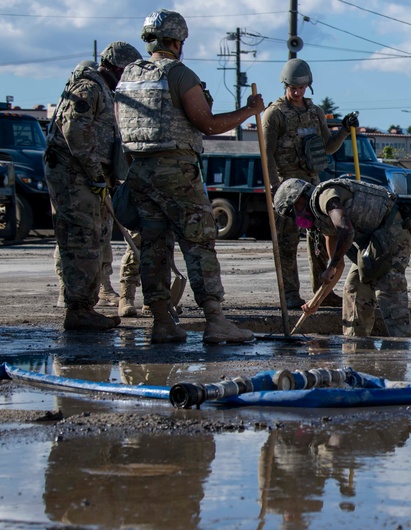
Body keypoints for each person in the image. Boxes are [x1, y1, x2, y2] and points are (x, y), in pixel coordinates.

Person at [115, 9, 265, 344]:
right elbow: (208, 124)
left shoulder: (128, 77)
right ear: (176, 40)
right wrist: (251, 110)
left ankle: (161, 322)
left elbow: (121, 129)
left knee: (153, 245)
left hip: (140, 170)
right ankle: (215, 320)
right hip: (176, 171)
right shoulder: (179, 75)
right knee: (198, 240)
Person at [44, 43, 142, 331]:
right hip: (74, 177)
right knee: (82, 240)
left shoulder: (105, 92)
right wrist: (94, 174)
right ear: (115, 69)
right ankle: (79, 310)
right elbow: (74, 132)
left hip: (87, 178)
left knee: (94, 238)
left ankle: (82, 306)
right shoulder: (89, 88)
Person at [261, 58, 359, 309]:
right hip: (286, 188)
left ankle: (322, 291)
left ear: (309, 86)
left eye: (302, 87)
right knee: (286, 243)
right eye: (293, 86)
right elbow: (267, 154)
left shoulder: (315, 113)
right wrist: (273, 188)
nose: (297, 91)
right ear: (285, 84)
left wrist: (345, 130)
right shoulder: (274, 114)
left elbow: (327, 147)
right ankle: (290, 294)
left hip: (312, 186)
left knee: (320, 239)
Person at [274, 177, 411, 337]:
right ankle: (356, 348)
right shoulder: (322, 220)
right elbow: (337, 267)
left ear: (301, 198)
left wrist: (331, 266)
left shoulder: (326, 197)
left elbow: (346, 231)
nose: (296, 217)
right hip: (371, 242)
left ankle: (401, 346)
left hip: (392, 232)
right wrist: (316, 302)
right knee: (354, 288)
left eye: (293, 210)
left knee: (388, 286)